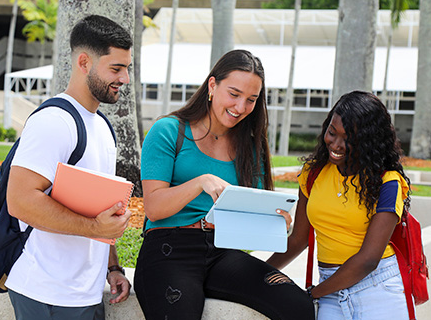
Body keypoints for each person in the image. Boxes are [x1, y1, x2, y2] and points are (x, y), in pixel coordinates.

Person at [134, 49, 315, 320]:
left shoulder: (251, 148)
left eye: (251, 99)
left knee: (297, 305)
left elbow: (247, 220)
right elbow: (154, 208)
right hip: (168, 250)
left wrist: (276, 222)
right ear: (212, 85)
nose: (241, 107)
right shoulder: (169, 131)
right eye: (234, 94)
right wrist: (200, 182)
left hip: (222, 253)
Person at [5, 15, 133, 320]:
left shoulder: (102, 126)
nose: (125, 78)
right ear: (85, 62)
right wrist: (94, 228)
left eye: (127, 68)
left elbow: (99, 208)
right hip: (45, 293)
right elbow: (20, 201)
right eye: (116, 68)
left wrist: (111, 267)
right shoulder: (53, 121)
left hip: (85, 294)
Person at [267, 90, 412, 320]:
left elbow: (369, 259)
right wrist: (261, 273)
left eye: (349, 139)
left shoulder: (388, 182)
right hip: (329, 289)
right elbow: (299, 239)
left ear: (368, 140)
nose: (336, 144)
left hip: (378, 290)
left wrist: (312, 294)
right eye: (332, 133)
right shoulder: (313, 174)